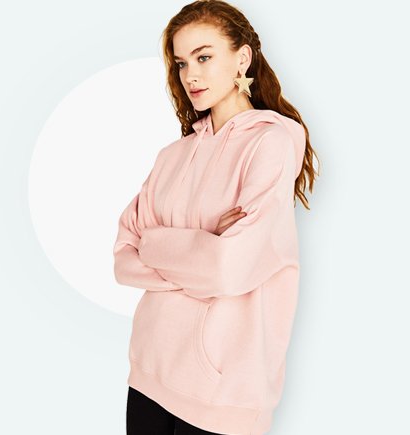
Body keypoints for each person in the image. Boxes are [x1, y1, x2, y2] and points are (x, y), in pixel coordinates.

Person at [112, 1, 320, 434]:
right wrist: (203, 241)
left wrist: (159, 243)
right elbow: (124, 257)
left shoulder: (271, 143)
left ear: (242, 58)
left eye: (204, 57)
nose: (190, 75)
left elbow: (229, 268)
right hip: (149, 371)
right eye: (181, 63)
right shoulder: (172, 155)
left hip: (223, 390)